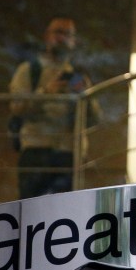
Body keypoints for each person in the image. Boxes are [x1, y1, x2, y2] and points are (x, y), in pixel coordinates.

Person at [9, 17, 99, 199]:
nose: (62, 38)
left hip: (69, 153)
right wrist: (46, 92)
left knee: (66, 214)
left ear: (74, 41)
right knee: (30, 213)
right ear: (47, 36)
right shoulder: (28, 71)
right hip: (36, 149)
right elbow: (17, 107)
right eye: (58, 32)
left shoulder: (77, 76)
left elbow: (95, 119)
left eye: (68, 34)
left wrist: (85, 96)